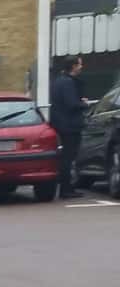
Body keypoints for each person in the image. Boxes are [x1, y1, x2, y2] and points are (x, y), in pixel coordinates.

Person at [50, 56, 93, 199]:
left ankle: (65, 188)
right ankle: (66, 190)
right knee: (68, 158)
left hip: (61, 123)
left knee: (66, 157)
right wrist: (84, 104)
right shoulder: (68, 82)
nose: (81, 67)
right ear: (74, 66)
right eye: (80, 64)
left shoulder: (58, 81)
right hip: (69, 125)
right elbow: (71, 104)